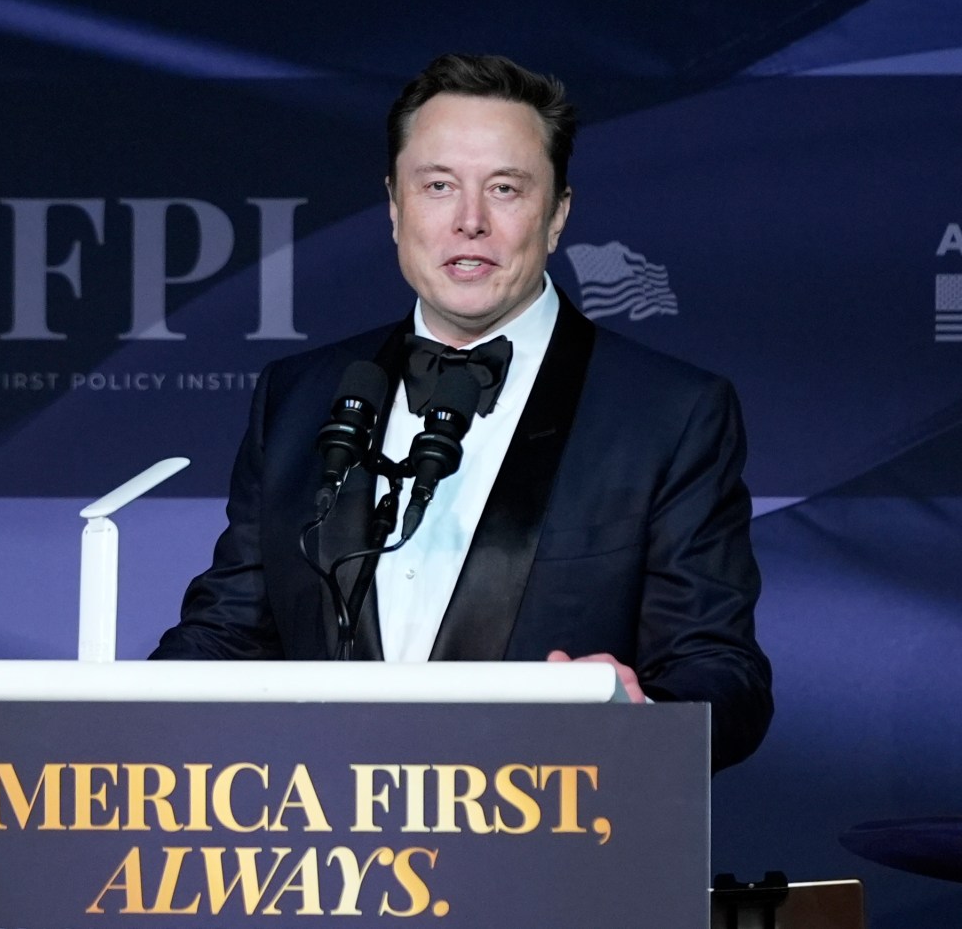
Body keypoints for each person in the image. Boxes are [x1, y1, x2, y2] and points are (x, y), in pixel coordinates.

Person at [151, 52, 771, 772]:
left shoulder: (668, 412)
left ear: (558, 214)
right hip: (322, 854)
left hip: (552, 850)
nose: (469, 221)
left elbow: (724, 675)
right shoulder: (298, 395)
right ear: (393, 205)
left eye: (505, 189)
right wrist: (100, 728)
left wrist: (640, 722)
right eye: (438, 185)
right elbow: (227, 634)